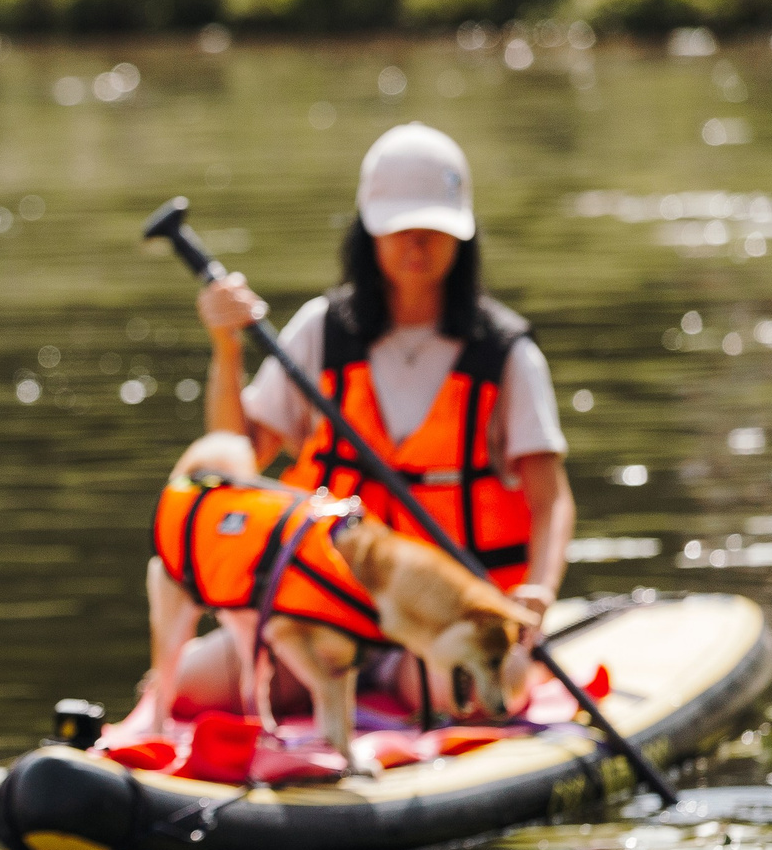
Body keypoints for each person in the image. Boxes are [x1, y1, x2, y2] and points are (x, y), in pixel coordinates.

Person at [168, 121, 576, 717]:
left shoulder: (506, 352)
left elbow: (551, 499)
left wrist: (538, 591)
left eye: (433, 229)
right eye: (398, 228)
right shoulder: (320, 331)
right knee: (188, 687)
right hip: (326, 601)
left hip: (447, 612)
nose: (416, 244)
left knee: (461, 699)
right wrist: (226, 351)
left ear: (461, 236)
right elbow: (237, 455)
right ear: (369, 232)